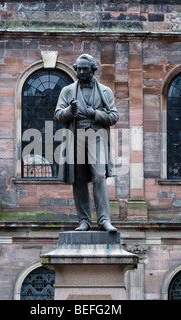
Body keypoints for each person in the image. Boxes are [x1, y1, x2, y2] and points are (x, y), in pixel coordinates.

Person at [54, 54, 118, 232]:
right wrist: (70, 110)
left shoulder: (105, 91)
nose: (81, 72)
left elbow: (114, 116)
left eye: (85, 69)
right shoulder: (67, 91)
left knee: (99, 175)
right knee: (79, 179)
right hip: (75, 137)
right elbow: (57, 115)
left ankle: (104, 220)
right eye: (79, 69)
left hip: (96, 136)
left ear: (93, 69)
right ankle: (84, 220)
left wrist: (95, 113)